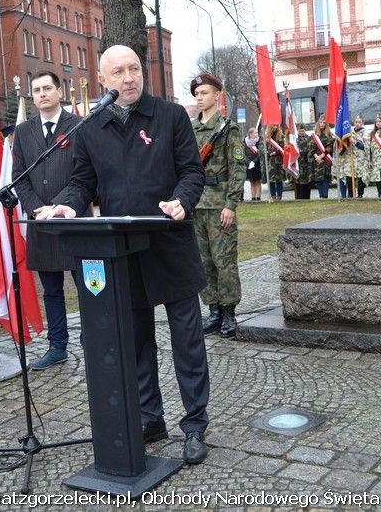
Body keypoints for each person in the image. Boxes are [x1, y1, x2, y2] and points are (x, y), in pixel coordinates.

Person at [42, 45, 210, 465]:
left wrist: (182, 202)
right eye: (118, 72)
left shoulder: (170, 116)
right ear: (103, 80)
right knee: (135, 342)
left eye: (134, 68)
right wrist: (68, 204)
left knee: (187, 341)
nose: (129, 77)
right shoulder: (90, 127)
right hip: (121, 251)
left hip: (170, 245)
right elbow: (82, 182)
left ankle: (195, 424)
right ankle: (150, 417)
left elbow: (192, 171)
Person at [11, 70, 84, 371]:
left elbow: (84, 172)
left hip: (73, 219)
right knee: (51, 289)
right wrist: (36, 208)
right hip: (40, 221)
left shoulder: (78, 125)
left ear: (59, 90)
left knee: (86, 286)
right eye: (36, 90)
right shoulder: (25, 132)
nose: (41, 94)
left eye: (47, 88)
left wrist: (59, 205)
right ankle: (57, 346)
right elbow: (19, 176)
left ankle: (92, 339)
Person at [191, 73, 245, 339]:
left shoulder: (228, 128)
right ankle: (212, 310)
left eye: (204, 93)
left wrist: (231, 204)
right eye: (197, 94)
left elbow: (237, 168)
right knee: (203, 261)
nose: (200, 98)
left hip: (220, 203)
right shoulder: (190, 129)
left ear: (217, 95)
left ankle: (228, 312)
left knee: (224, 261)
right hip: (196, 205)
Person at [310, 115, 333, 198]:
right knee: (318, 179)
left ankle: (325, 196)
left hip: (325, 160)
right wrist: (316, 156)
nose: (322, 124)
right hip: (317, 161)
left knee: (325, 179)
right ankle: (321, 196)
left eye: (324, 123)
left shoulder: (329, 134)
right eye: (321, 122)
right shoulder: (315, 135)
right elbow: (311, 147)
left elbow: (330, 146)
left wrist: (322, 156)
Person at [263, 125, 285, 201]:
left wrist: (276, 152)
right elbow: (263, 148)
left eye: (276, 126)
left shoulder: (281, 136)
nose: (275, 127)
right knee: (271, 180)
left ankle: (279, 196)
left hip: (279, 161)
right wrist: (268, 153)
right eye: (273, 125)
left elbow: (283, 147)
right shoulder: (266, 136)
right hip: (270, 161)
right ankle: (273, 196)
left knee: (279, 179)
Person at [292, 126, 313, 199]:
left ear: (305, 131)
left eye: (302, 131)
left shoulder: (309, 139)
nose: (301, 132)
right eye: (300, 131)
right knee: (298, 181)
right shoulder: (295, 140)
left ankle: (307, 197)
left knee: (307, 181)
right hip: (298, 164)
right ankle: (299, 198)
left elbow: (311, 149)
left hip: (307, 164)